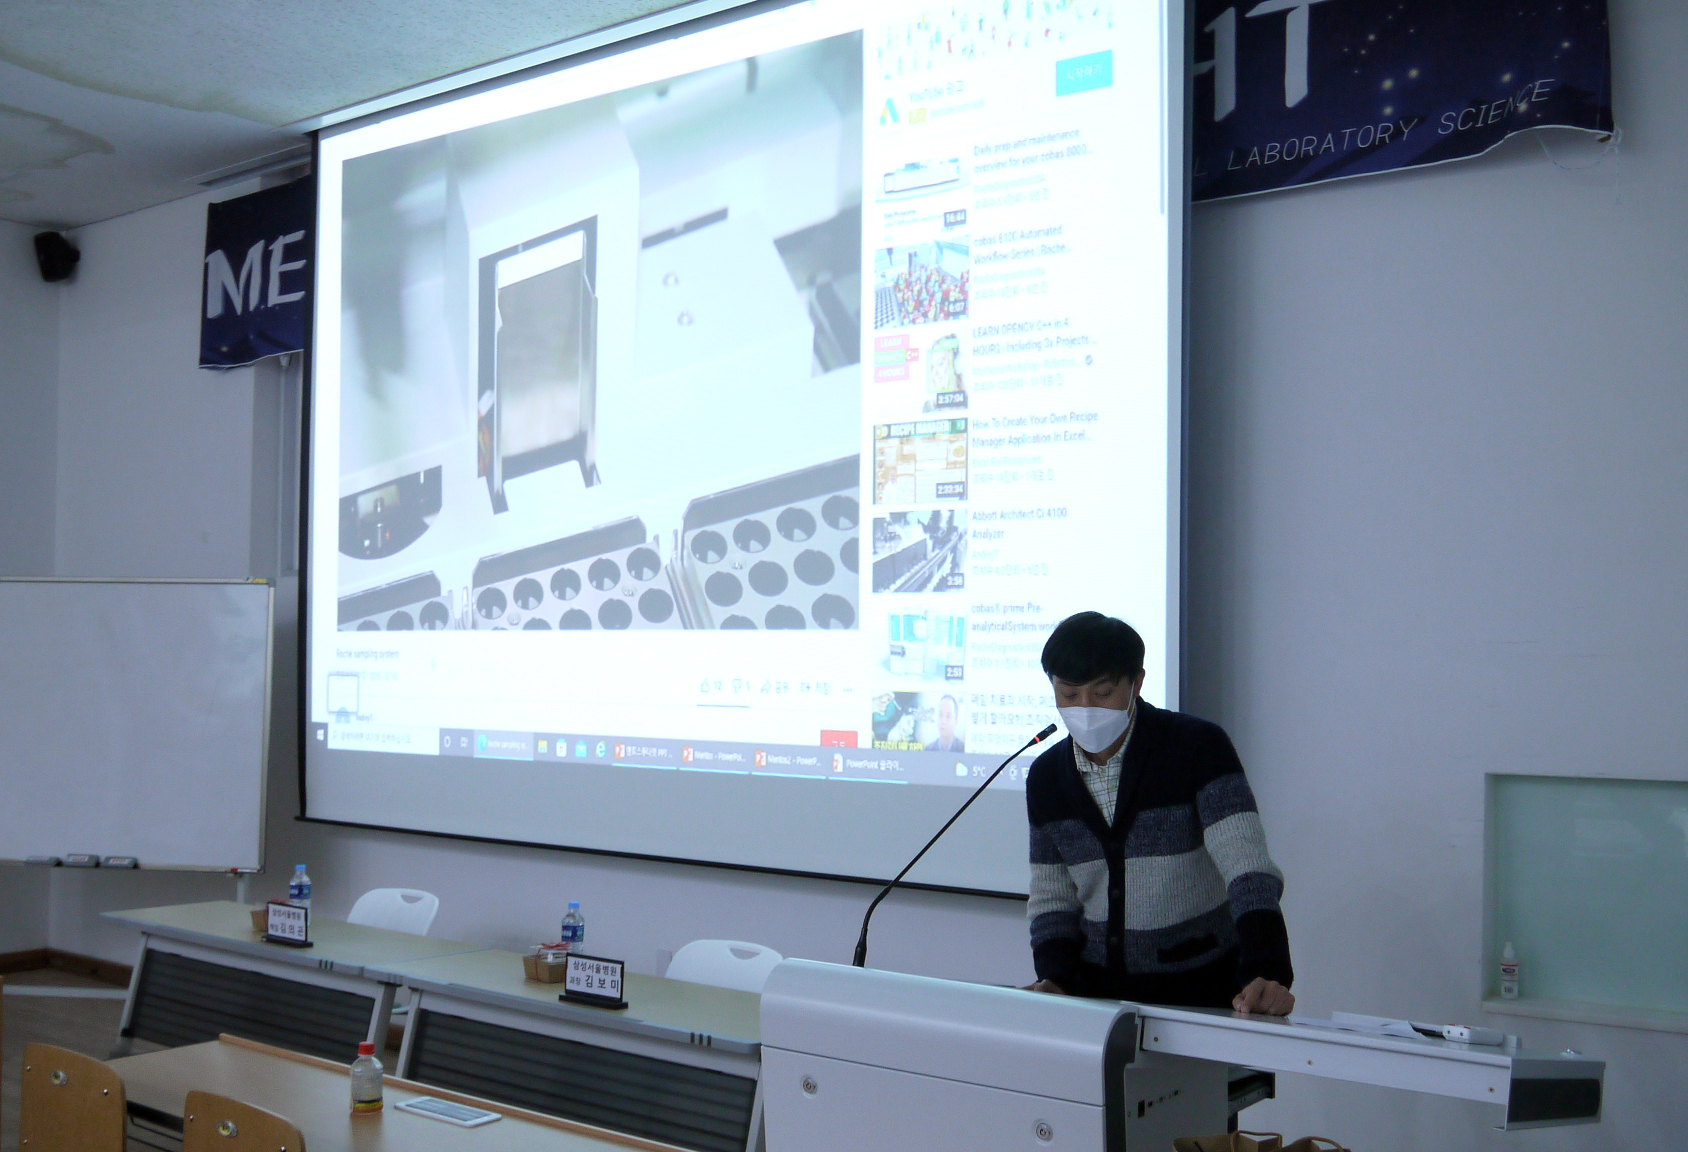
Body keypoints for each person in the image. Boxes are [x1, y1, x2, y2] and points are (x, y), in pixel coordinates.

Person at [1025, 612, 1295, 1014]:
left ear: (1136, 683)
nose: (1085, 708)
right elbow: (1052, 897)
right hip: (1098, 1001)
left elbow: (1247, 867)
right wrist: (1056, 979)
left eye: (1102, 693)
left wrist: (1267, 970)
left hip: (1207, 990)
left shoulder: (1198, 748)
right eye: (1068, 694)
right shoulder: (1046, 777)